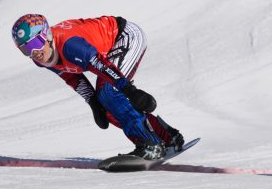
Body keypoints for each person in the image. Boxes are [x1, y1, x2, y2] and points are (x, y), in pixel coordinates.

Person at [12, 14, 183, 160]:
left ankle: (150, 145)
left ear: (47, 36)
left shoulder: (70, 45)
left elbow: (102, 66)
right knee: (106, 105)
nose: (35, 52)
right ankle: (167, 137)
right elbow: (72, 77)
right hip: (107, 51)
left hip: (125, 37)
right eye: (26, 49)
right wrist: (93, 102)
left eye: (36, 43)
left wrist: (131, 91)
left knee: (109, 93)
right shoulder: (42, 59)